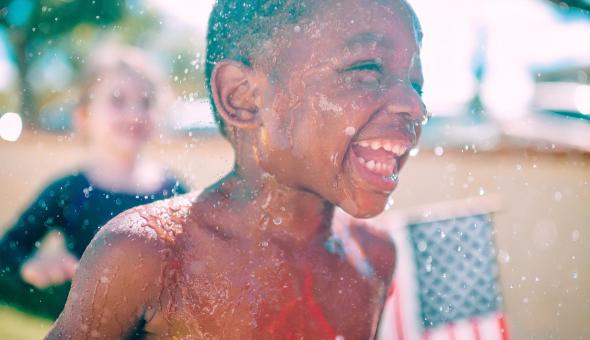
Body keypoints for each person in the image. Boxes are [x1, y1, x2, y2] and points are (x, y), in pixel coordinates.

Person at [48, 0, 427, 338]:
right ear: (243, 97)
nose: (415, 106)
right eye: (366, 69)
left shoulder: (374, 257)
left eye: (415, 84)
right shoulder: (148, 255)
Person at [0, 44, 188, 319]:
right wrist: (30, 265)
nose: (134, 113)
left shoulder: (173, 193)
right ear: (84, 116)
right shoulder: (68, 191)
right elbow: (7, 251)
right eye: (117, 99)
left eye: (146, 102)